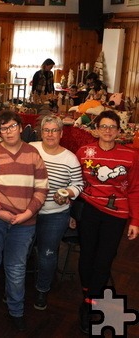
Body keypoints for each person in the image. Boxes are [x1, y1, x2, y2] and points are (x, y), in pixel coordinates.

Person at [0, 110, 48, 332]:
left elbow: (41, 188)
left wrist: (28, 213)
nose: (8, 131)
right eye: (4, 128)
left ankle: (16, 311)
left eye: (12, 126)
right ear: (0, 131)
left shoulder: (33, 154)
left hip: (24, 223)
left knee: (16, 269)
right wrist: (0, 213)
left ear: (21, 127)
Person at [75, 110, 139, 334]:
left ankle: (91, 300)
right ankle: (87, 298)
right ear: (96, 129)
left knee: (104, 259)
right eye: (104, 126)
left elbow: (134, 189)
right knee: (87, 255)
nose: (108, 130)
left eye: (113, 127)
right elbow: (76, 181)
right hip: (89, 210)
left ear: (119, 131)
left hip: (117, 214)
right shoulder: (84, 152)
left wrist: (135, 220)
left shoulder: (130, 156)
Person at [29, 115, 83, 311]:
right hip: (28, 212)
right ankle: (17, 287)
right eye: (46, 130)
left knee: (47, 253)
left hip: (55, 213)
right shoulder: (31, 148)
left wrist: (68, 193)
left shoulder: (70, 158)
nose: (50, 134)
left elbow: (78, 184)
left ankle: (42, 289)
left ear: (61, 133)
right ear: (41, 132)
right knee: (21, 251)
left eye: (54, 130)